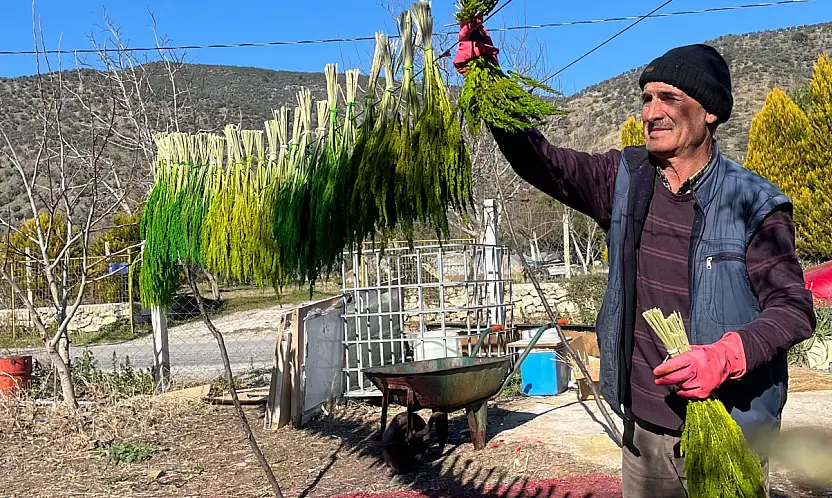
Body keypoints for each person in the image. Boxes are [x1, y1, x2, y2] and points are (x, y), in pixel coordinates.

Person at [453, 21, 816, 498]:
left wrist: (725, 357)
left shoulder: (753, 202)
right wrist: (488, 80)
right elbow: (540, 160)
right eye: (646, 98)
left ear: (709, 112)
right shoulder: (626, 178)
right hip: (644, 431)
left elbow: (793, 309)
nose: (652, 111)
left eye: (669, 97)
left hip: (730, 431)